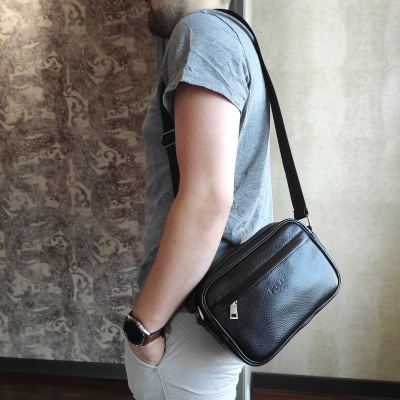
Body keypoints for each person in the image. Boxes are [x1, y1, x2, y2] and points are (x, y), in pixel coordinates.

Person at [123, 0, 273, 398]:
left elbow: (208, 199)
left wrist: (143, 329)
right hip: (219, 305)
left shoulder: (202, 34)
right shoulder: (234, 34)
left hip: (192, 315)